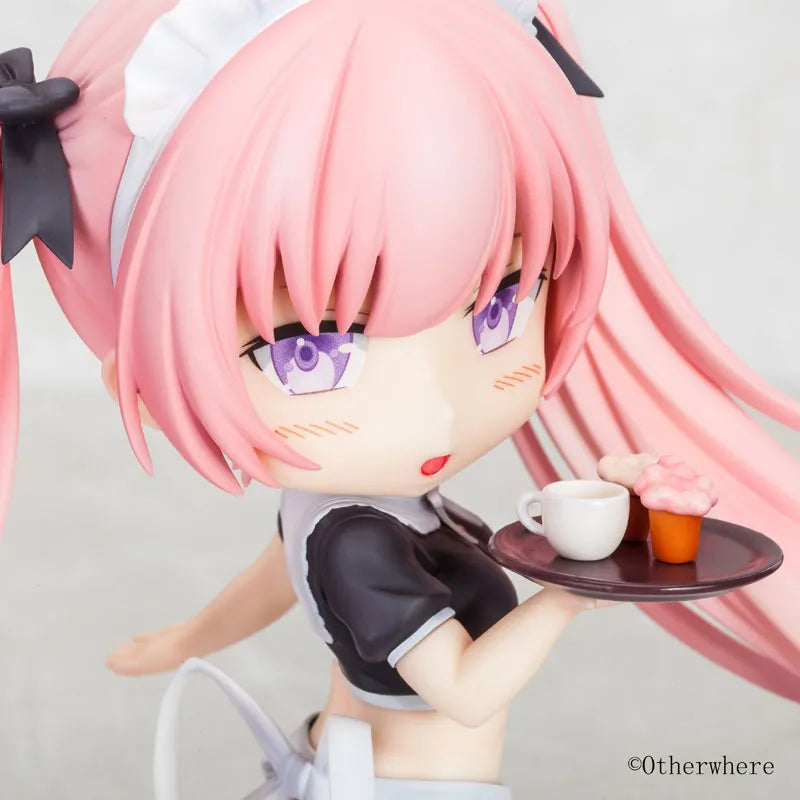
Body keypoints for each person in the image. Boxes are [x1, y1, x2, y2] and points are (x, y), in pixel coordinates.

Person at [2, 0, 798, 797]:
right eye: (309, 351)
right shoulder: (358, 544)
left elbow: (279, 574)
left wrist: (185, 639)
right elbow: (466, 691)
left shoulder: (337, 512)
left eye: (500, 306)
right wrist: (569, 595)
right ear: (145, 385)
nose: (437, 410)